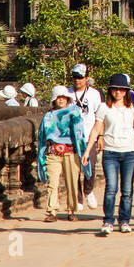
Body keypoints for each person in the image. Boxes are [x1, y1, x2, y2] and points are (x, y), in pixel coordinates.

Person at [82, 73, 134, 234]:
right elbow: (96, 129)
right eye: (115, 89)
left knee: (127, 189)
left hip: (130, 151)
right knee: (111, 188)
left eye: (121, 89)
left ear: (126, 91)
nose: (118, 92)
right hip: (111, 151)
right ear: (110, 91)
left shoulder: (133, 107)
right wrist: (88, 150)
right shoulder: (104, 107)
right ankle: (108, 220)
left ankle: (124, 220)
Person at [36, 86, 88, 223]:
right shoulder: (48, 116)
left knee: (72, 182)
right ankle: (52, 211)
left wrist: (83, 151)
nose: (61, 100)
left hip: (70, 152)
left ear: (67, 99)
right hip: (53, 153)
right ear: (54, 99)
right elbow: (42, 137)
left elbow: (80, 134)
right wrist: (41, 154)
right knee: (52, 183)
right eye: (58, 97)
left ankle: (71, 210)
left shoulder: (74, 113)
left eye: (63, 97)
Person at [68, 63, 103, 211]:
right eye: (75, 77)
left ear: (86, 78)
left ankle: (88, 190)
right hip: (72, 137)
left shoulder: (94, 94)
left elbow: (100, 116)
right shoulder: (67, 93)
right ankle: (78, 197)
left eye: (80, 77)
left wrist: (100, 135)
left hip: (90, 135)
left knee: (90, 164)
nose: (77, 80)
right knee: (74, 168)